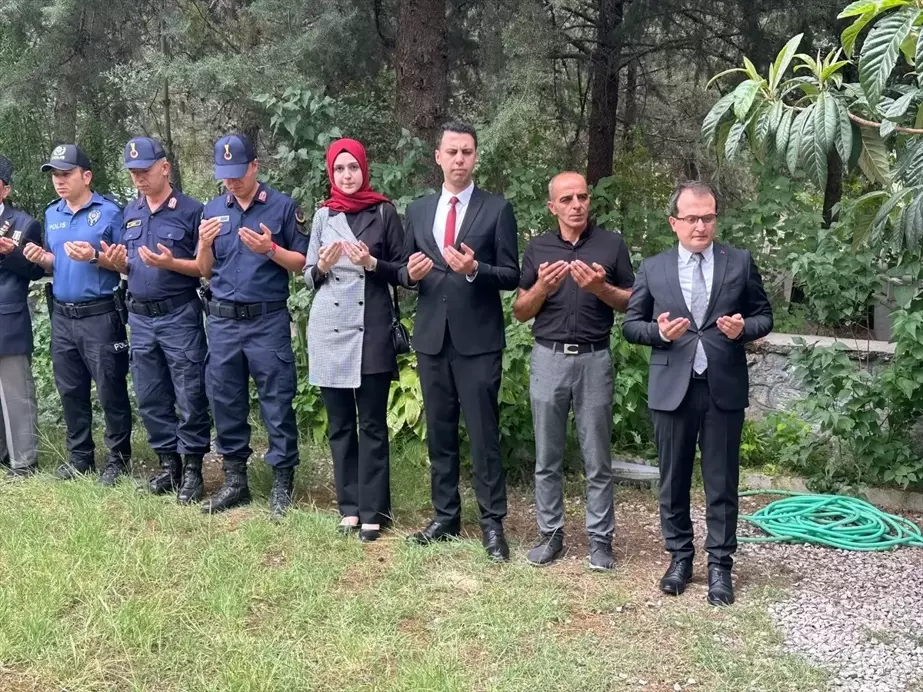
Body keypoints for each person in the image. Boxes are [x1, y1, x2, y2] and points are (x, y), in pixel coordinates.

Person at [622, 180, 772, 606]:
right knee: (673, 479)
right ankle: (680, 558)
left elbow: (764, 316)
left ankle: (721, 566)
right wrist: (658, 332)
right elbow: (631, 325)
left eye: (708, 217)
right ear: (675, 222)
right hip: (672, 388)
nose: (701, 226)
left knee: (722, 481)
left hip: (723, 387)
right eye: (691, 218)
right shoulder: (654, 268)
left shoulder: (739, 262)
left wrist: (744, 329)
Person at [399, 120, 520, 561]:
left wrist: (474, 269)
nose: (459, 160)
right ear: (438, 157)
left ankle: (493, 525)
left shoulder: (496, 209)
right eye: (451, 152)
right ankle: (445, 516)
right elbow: (402, 269)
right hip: (432, 339)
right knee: (441, 433)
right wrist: (407, 277)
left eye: (466, 152)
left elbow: (511, 274)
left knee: (484, 435)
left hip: (478, 341)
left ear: (475, 157)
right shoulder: (418, 210)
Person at [512, 171, 634, 570]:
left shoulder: (611, 246)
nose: (576, 205)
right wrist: (543, 289)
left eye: (582, 197)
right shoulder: (538, 248)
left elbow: (632, 302)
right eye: (566, 199)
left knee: (597, 457)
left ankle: (600, 541)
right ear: (553, 207)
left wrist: (601, 289)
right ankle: (551, 536)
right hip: (548, 358)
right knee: (547, 456)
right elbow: (519, 311)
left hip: (594, 359)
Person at [196, 133, 308, 519]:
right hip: (224, 322)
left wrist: (269, 250)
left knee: (276, 402)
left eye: (238, 174)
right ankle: (235, 481)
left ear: (255, 167)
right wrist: (204, 244)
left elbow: (303, 263)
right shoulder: (212, 209)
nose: (231, 182)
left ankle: (281, 481)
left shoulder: (281, 207)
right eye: (225, 175)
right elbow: (205, 271)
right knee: (225, 401)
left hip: (267, 321)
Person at [304, 138, 404, 543]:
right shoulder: (323, 215)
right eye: (340, 169)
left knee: (373, 423)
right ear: (331, 173)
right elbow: (308, 275)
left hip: (372, 327)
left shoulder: (384, 212)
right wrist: (323, 267)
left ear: (365, 169)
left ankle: (374, 511)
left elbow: (405, 273)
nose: (347, 176)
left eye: (353, 168)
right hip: (328, 327)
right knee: (341, 423)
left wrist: (371, 263)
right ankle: (348, 507)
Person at [100, 137, 210, 503]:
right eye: (133, 173)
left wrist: (171, 264)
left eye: (144, 171)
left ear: (165, 167)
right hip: (140, 317)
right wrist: (115, 263)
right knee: (150, 394)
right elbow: (128, 265)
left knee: (189, 391)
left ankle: (193, 467)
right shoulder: (130, 213)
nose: (139, 179)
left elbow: (205, 268)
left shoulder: (192, 211)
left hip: (179, 313)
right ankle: (168, 465)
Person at [22, 144, 132, 485]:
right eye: (55, 175)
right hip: (64, 315)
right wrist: (42, 259)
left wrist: (95, 256)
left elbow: (126, 264)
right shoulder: (52, 213)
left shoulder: (110, 212)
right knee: (70, 388)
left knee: (109, 387)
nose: (59, 181)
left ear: (86, 176)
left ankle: (118, 458)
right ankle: (80, 456)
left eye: (66, 174)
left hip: (100, 313)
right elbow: (59, 261)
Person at [0, 155, 44, 479]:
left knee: (16, 394)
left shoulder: (24, 224)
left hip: (8, 318)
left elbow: (34, 270)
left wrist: (10, 253)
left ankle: (24, 462)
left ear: (5, 190)